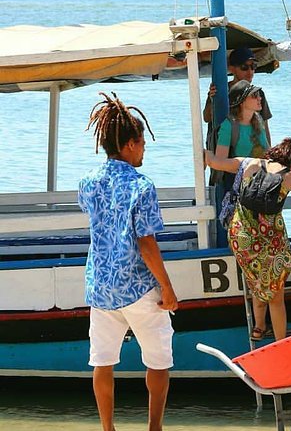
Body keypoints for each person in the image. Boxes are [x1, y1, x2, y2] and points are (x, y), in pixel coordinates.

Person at [78, 92, 178, 431]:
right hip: (136, 286)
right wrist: (167, 287)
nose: (144, 150)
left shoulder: (87, 182)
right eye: (142, 144)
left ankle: (108, 428)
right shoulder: (142, 185)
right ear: (131, 145)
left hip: (100, 286)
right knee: (159, 360)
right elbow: (146, 243)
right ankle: (154, 427)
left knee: (103, 362)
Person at [205, 138, 291, 341]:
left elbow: (214, 162)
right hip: (269, 242)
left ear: (271, 154)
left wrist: (206, 153)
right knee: (275, 295)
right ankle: (280, 343)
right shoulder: (289, 177)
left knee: (256, 280)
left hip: (241, 238)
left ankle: (259, 327)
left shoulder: (250, 163)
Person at [204, 47, 273, 171]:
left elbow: (265, 128)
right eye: (244, 67)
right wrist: (212, 98)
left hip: (252, 154)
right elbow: (207, 117)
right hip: (223, 150)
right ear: (232, 69)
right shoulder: (220, 90)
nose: (250, 71)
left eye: (253, 66)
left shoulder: (258, 94)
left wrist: (270, 155)